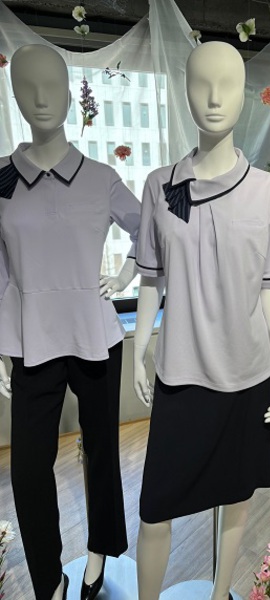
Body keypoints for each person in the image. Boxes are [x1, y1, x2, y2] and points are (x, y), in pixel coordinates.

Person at [133, 41, 270, 600]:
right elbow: (151, 278)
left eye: (227, 84)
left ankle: (219, 593)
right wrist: (139, 347)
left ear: (245, 96)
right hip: (181, 372)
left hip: (246, 377)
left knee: (236, 497)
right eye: (201, 84)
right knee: (155, 509)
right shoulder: (158, 186)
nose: (213, 98)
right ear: (183, 92)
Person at [0, 44, 141, 600]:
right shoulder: (1, 179)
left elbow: (148, 228)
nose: (41, 98)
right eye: (27, 87)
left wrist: (126, 274)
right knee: (28, 469)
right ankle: (48, 579)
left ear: (69, 93)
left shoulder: (100, 178)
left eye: (52, 86)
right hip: (31, 338)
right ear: (14, 96)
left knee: (102, 449)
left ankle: (100, 550)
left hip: (95, 335)